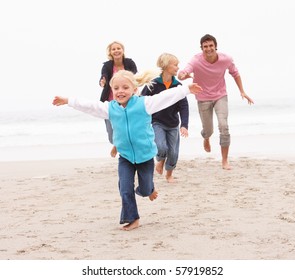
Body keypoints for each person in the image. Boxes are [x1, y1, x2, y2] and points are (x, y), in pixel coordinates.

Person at [53, 70, 202, 231]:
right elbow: (90, 106)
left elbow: (164, 98)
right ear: (112, 91)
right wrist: (69, 100)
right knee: (124, 188)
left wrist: (186, 89)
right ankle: (132, 218)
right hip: (125, 157)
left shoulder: (144, 104)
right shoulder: (110, 108)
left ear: (134, 89)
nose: (120, 91)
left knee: (144, 190)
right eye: (116, 88)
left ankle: (149, 189)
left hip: (145, 156)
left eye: (125, 87)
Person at [178, 34, 254, 170]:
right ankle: (206, 137)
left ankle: (225, 160)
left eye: (211, 45)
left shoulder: (226, 59)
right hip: (203, 97)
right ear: (201, 48)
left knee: (224, 126)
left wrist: (242, 91)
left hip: (220, 95)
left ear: (215, 46)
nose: (208, 48)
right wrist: (183, 75)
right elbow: (183, 73)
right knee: (208, 130)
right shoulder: (196, 60)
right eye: (205, 46)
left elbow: (235, 73)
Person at [141, 53, 189, 183]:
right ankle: (160, 160)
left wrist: (184, 125)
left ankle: (169, 175)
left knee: (173, 152)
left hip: (173, 124)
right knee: (161, 147)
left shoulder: (178, 86)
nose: (178, 67)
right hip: (157, 122)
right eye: (175, 65)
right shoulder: (153, 84)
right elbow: (142, 101)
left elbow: (184, 106)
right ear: (166, 66)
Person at [99, 41, 138, 157]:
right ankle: (116, 144)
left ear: (123, 50)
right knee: (111, 135)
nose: (116, 51)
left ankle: (125, 150)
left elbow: (135, 76)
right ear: (110, 52)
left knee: (128, 128)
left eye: (118, 48)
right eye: (113, 49)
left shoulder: (129, 63)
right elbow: (104, 75)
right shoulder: (107, 65)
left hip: (128, 102)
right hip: (110, 102)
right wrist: (103, 80)